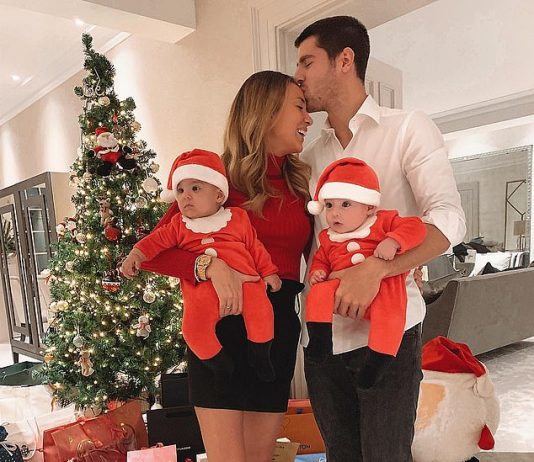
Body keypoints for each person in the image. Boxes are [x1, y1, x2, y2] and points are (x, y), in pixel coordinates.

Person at [293, 16, 466, 461]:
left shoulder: (408, 128)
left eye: (307, 62)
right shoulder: (309, 158)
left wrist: (377, 269)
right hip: (323, 339)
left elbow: (449, 219)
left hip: (389, 334)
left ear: (344, 60)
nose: (298, 75)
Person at [136, 70, 313, 462]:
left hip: (274, 329)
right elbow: (151, 252)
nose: (308, 118)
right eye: (299, 107)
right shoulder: (215, 182)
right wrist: (209, 266)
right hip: (219, 327)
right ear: (267, 112)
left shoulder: (299, 186)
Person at [121, 149, 282, 388]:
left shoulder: (237, 218)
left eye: (195, 188)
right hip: (201, 292)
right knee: (193, 329)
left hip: (247, 282)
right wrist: (136, 254)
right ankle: (220, 365)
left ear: (219, 195)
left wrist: (268, 272)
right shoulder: (178, 225)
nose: (186, 196)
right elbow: (154, 242)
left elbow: (254, 246)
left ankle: (260, 355)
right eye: (180, 190)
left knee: (262, 312)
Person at [305, 157, 427, 390]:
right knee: (318, 293)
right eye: (329, 206)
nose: (334, 213)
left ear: (369, 207)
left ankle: (379, 359)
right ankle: (320, 339)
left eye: (345, 204)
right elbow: (321, 258)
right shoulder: (328, 237)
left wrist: (394, 241)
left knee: (390, 313)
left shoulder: (384, 221)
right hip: (342, 289)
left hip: (382, 287)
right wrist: (318, 272)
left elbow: (416, 227)